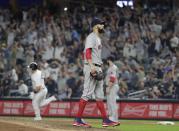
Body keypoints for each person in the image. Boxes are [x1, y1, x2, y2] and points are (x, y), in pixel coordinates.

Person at [73, 18, 120, 127]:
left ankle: (105, 120)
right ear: (95, 26)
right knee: (87, 93)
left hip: (97, 67)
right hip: (91, 67)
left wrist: (98, 66)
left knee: (99, 96)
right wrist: (92, 66)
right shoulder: (91, 37)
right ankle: (78, 120)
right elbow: (87, 52)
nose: (103, 26)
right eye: (101, 24)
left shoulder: (98, 38)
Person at [105, 56, 120, 123]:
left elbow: (112, 79)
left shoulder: (113, 67)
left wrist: (108, 87)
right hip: (110, 86)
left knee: (112, 102)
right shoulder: (110, 68)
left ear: (109, 60)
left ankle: (114, 118)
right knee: (109, 103)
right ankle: (111, 117)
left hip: (113, 86)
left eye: (107, 60)